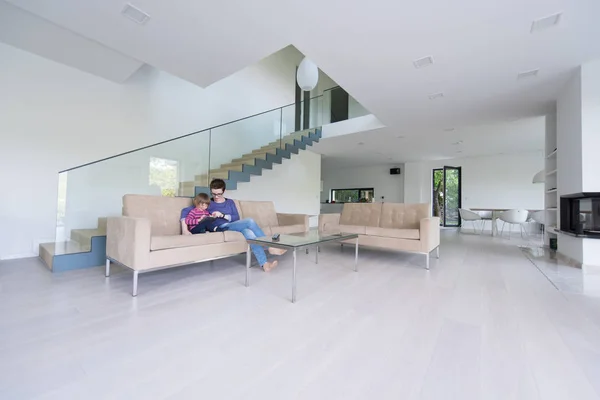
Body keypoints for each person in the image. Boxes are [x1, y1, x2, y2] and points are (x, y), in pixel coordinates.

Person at [180, 179, 282, 272]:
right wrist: (185, 229)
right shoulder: (208, 203)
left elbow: (236, 217)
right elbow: (186, 210)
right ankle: (270, 246)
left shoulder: (230, 202)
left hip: (232, 224)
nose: (216, 196)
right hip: (220, 228)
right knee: (250, 221)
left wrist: (222, 215)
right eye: (213, 193)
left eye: (219, 194)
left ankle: (264, 264)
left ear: (224, 191)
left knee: (249, 233)